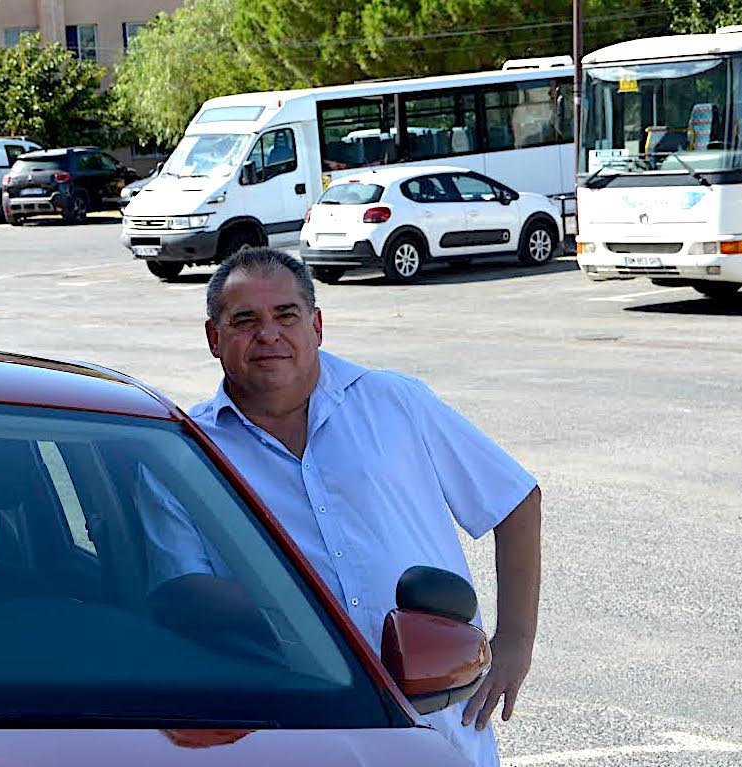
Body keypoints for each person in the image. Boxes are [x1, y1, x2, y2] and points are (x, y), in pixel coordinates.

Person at [147, 247, 542, 767]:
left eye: (285, 315)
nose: (268, 334)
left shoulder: (396, 402)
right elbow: (183, 586)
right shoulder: (189, 451)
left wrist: (515, 643)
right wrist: (300, 622)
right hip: (292, 718)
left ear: (316, 325)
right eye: (244, 320)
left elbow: (514, 501)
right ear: (213, 339)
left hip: (437, 715)